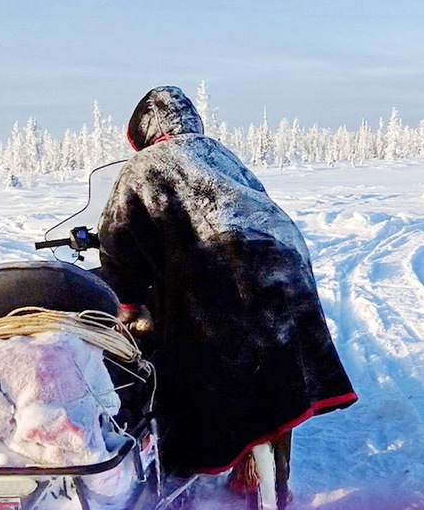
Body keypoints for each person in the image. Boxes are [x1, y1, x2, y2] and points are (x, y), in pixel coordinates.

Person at [98, 86, 357, 508]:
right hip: (282, 265)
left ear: (143, 129)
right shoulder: (219, 154)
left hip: (218, 272)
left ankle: (192, 462)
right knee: (274, 365)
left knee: (192, 362)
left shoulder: (144, 166)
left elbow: (117, 239)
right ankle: (267, 480)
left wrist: (127, 305)